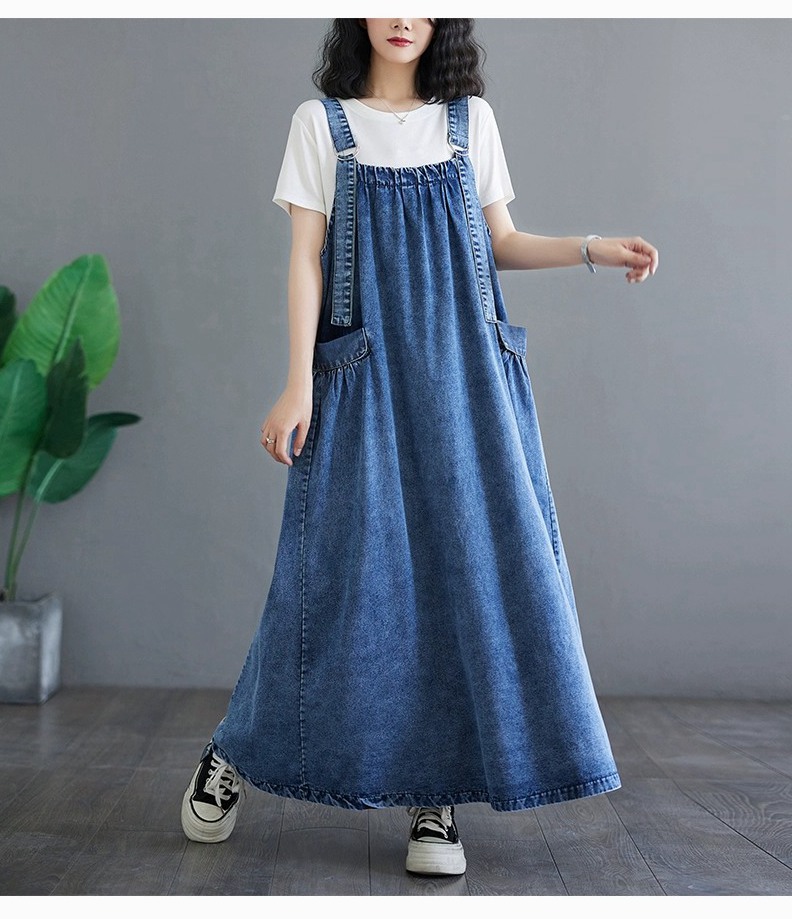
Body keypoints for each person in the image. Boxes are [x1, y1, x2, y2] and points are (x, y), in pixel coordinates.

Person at [180, 18, 659, 878]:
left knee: (458, 579)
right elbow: (306, 259)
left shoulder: (470, 121)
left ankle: (433, 798)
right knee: (331, 583)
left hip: (465, 384)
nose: (404, 17)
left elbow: (500, 242)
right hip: (361, 378)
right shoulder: (320, 125)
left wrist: (591, 248)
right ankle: (235, 748)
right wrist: (297, 382)